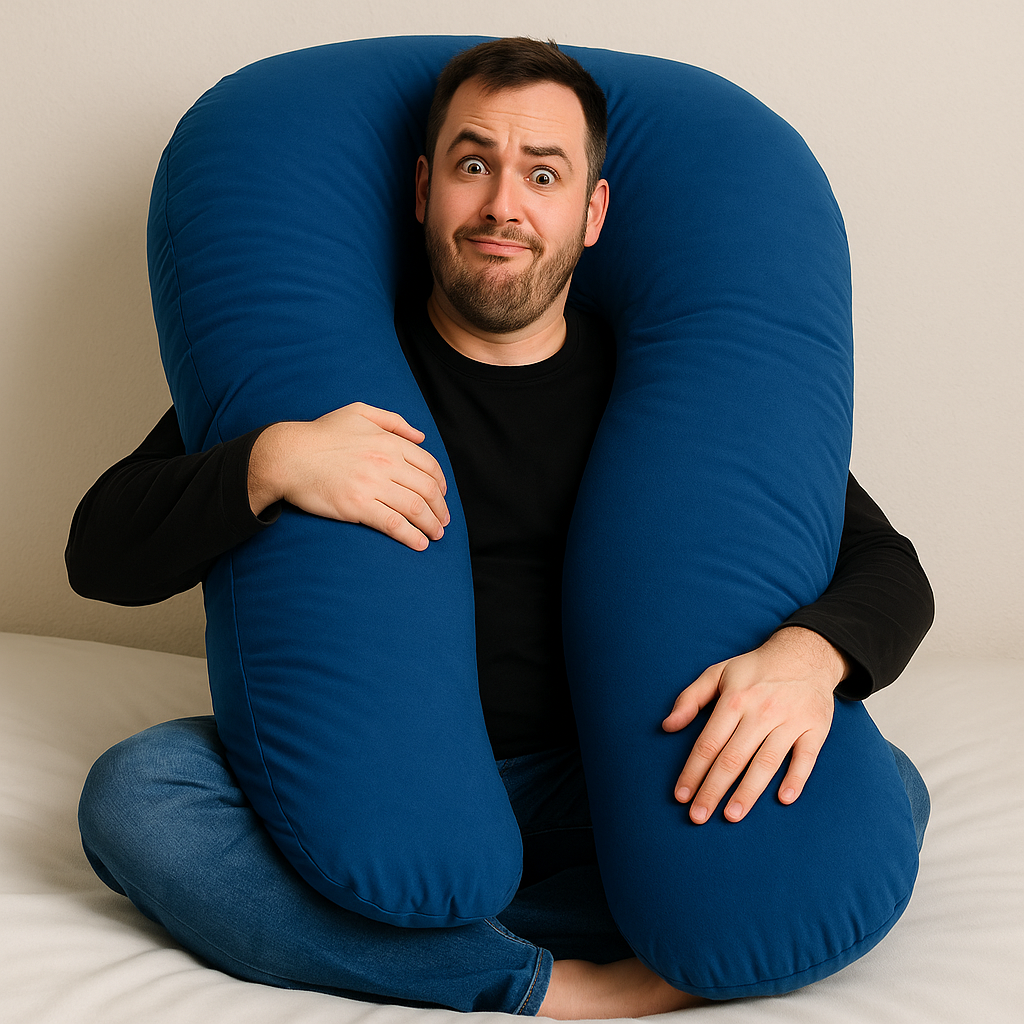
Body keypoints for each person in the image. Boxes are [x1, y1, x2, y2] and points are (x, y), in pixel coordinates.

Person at [68, 38, 934, 1018]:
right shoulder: (324, 374)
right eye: (474, 165)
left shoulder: (661, 386)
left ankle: (435, 931)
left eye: (544, 175)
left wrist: (810, 655)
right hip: (363, 781)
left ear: (592, 211)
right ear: (422, 188)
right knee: (140, 796)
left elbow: (886, 565)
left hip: (612, 777)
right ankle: (550, 980)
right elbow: (98, 552)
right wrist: (269, 463)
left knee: (884, 789)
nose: (503, 208)